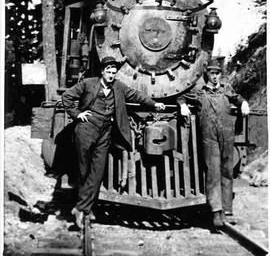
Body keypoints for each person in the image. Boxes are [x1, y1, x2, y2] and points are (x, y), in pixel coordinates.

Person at [62, 56, 165, 228]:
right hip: (86, 130)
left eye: (113, 72)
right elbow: (67, 96)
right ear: (102, 71)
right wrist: (77, 114)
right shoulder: (88, 83)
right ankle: (85, 208)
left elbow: (137, 95)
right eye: (108, 71)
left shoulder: (119, 87)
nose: (111, 74)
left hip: (105, 133)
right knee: (83, 170)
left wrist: (154, 105)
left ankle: (81, 207)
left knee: (98, 172)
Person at [179, 60, 249, 228]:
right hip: (209, 137)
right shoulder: (199, 92)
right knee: (213, 172)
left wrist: (244, 103)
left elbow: (238, 98)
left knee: (227, 171)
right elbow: (181, 96)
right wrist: (182, 105)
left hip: (227, 135)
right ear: (207, 75)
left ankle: (228, 211)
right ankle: (216, 212)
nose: (215, 76)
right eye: (212, 73)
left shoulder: (226, 89)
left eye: (217, 73)